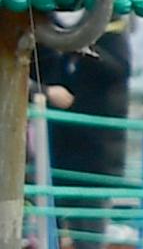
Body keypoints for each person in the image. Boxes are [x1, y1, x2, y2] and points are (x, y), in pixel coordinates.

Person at [36, 14, 135, 187]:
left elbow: (118, 69)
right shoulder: (50, 34)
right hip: (60, 151)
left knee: (90, 206)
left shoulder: (111, 25)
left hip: (100, 155)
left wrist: (78, 45)